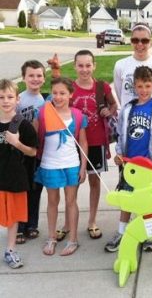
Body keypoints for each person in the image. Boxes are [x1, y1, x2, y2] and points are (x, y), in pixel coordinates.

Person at [104, 66, 152, 253]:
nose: (144, 90)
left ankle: (150, 234)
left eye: (147, 86)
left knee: (148, 203)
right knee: (127, 199)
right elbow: (120, 134)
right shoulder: (128, 109)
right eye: (140, 86)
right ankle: (121, 232)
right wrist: (119, 154)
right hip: (130, 165)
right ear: (134, 86)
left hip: (148, 166)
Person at [61, 49, 117, 240]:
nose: (84, 69)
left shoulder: (101, 87)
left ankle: (92, 221)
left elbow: (113, 105)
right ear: (74, 66)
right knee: (72, 184)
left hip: (96, 141)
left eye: (88, 65)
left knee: (94, 181)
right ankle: (68, 222)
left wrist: (109, 112)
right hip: (73, 143)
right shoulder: (69, 88)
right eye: (80, 65)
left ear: (94, 66)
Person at [34, 77, 88, 256]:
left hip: (71, 163)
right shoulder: (43, 113)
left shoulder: (78, 115)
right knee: (52, 201)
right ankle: (51, 237)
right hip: (50, 164)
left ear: (71, 94)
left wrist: (82, 167)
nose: (58, 97)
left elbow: (83, 142)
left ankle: (73, 239)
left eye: (63, 93)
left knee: (71, 201)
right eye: (55, 93)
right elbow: (34, 137)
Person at [0, 79, 37, 268]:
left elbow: (33, 151)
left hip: (15, 178)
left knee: (13, 217)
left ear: (17, 99)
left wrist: (17, 143)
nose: (5, 101)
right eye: (1, 97)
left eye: (9, 97)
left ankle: (10, 250)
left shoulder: (22, 125)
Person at [16, 60, 46, 244]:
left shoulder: (46, 100)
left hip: (39, 152)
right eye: (31, 75)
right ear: (23, 78)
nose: (35, 79)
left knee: (36, 189)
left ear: (44, 78)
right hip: (20, 152)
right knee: (21, 189)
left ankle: (31, 225)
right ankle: (19, 226)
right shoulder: (19, 99)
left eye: (39, 75)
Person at [113, 22, 152, 107]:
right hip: (128, 117)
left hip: (151, 117)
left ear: (150, 42)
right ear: (131, 41)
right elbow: (120, 94)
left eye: (144, 40)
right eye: (135, 40)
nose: (140, 44)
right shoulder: (120, 65)